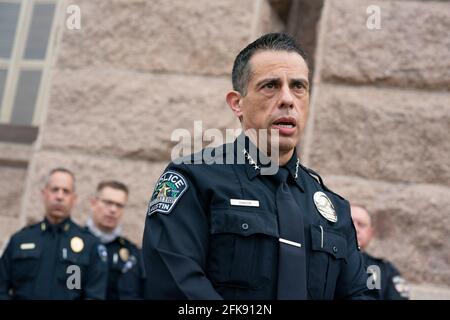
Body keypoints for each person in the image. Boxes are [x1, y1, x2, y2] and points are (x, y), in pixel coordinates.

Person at [142, 33, 370, 299]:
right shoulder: (193, 179)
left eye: (298, 86)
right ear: (237, 103)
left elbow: (359, 294)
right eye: (270, 86)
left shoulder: (333, 209)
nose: (287, 99)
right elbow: (177, 288)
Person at [0, 168, 108, 299]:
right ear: (44, 194)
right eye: (55, 190)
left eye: (66, 191)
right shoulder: (20, 240)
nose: (59, 196)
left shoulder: (90, 245)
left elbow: (94, 295)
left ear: (74, 198)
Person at [86, 180, 144, 299]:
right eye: (108, 203)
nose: (113, 210)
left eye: (119, 205)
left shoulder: (132, 254)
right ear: (93, 203)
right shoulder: (75, 244)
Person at [350, 204, 410, 300]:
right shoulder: (324, 262)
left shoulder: (386, 270)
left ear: (371, 233)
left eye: (361, 225)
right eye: (350, 223)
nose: (355, 229)